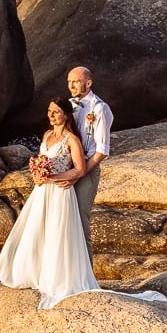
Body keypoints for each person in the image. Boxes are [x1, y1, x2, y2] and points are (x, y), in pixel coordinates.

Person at [0, 98, 101, 310]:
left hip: (60, 192)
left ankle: (56, 278)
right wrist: (37, 174)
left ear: (66, 115)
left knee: (57, 233)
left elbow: (80, 169)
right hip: (42, 191)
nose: (51, 115)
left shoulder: (72, 140)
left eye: (56, 112)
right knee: (37, 230)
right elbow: (40, 160)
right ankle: (33, 272)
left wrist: (55, 177)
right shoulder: (47, 135)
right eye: (50, 111)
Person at [58, 65, 111, 250]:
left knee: (80, 222)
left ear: (88, 83)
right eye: (69, 82)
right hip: (66, 168)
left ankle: (86, 276)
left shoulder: (99, 109)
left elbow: (102, 151)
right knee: (63, 220)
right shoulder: (69, 106)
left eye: (76, 82)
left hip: (87, 170)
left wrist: (78, 174)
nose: (71, 86)